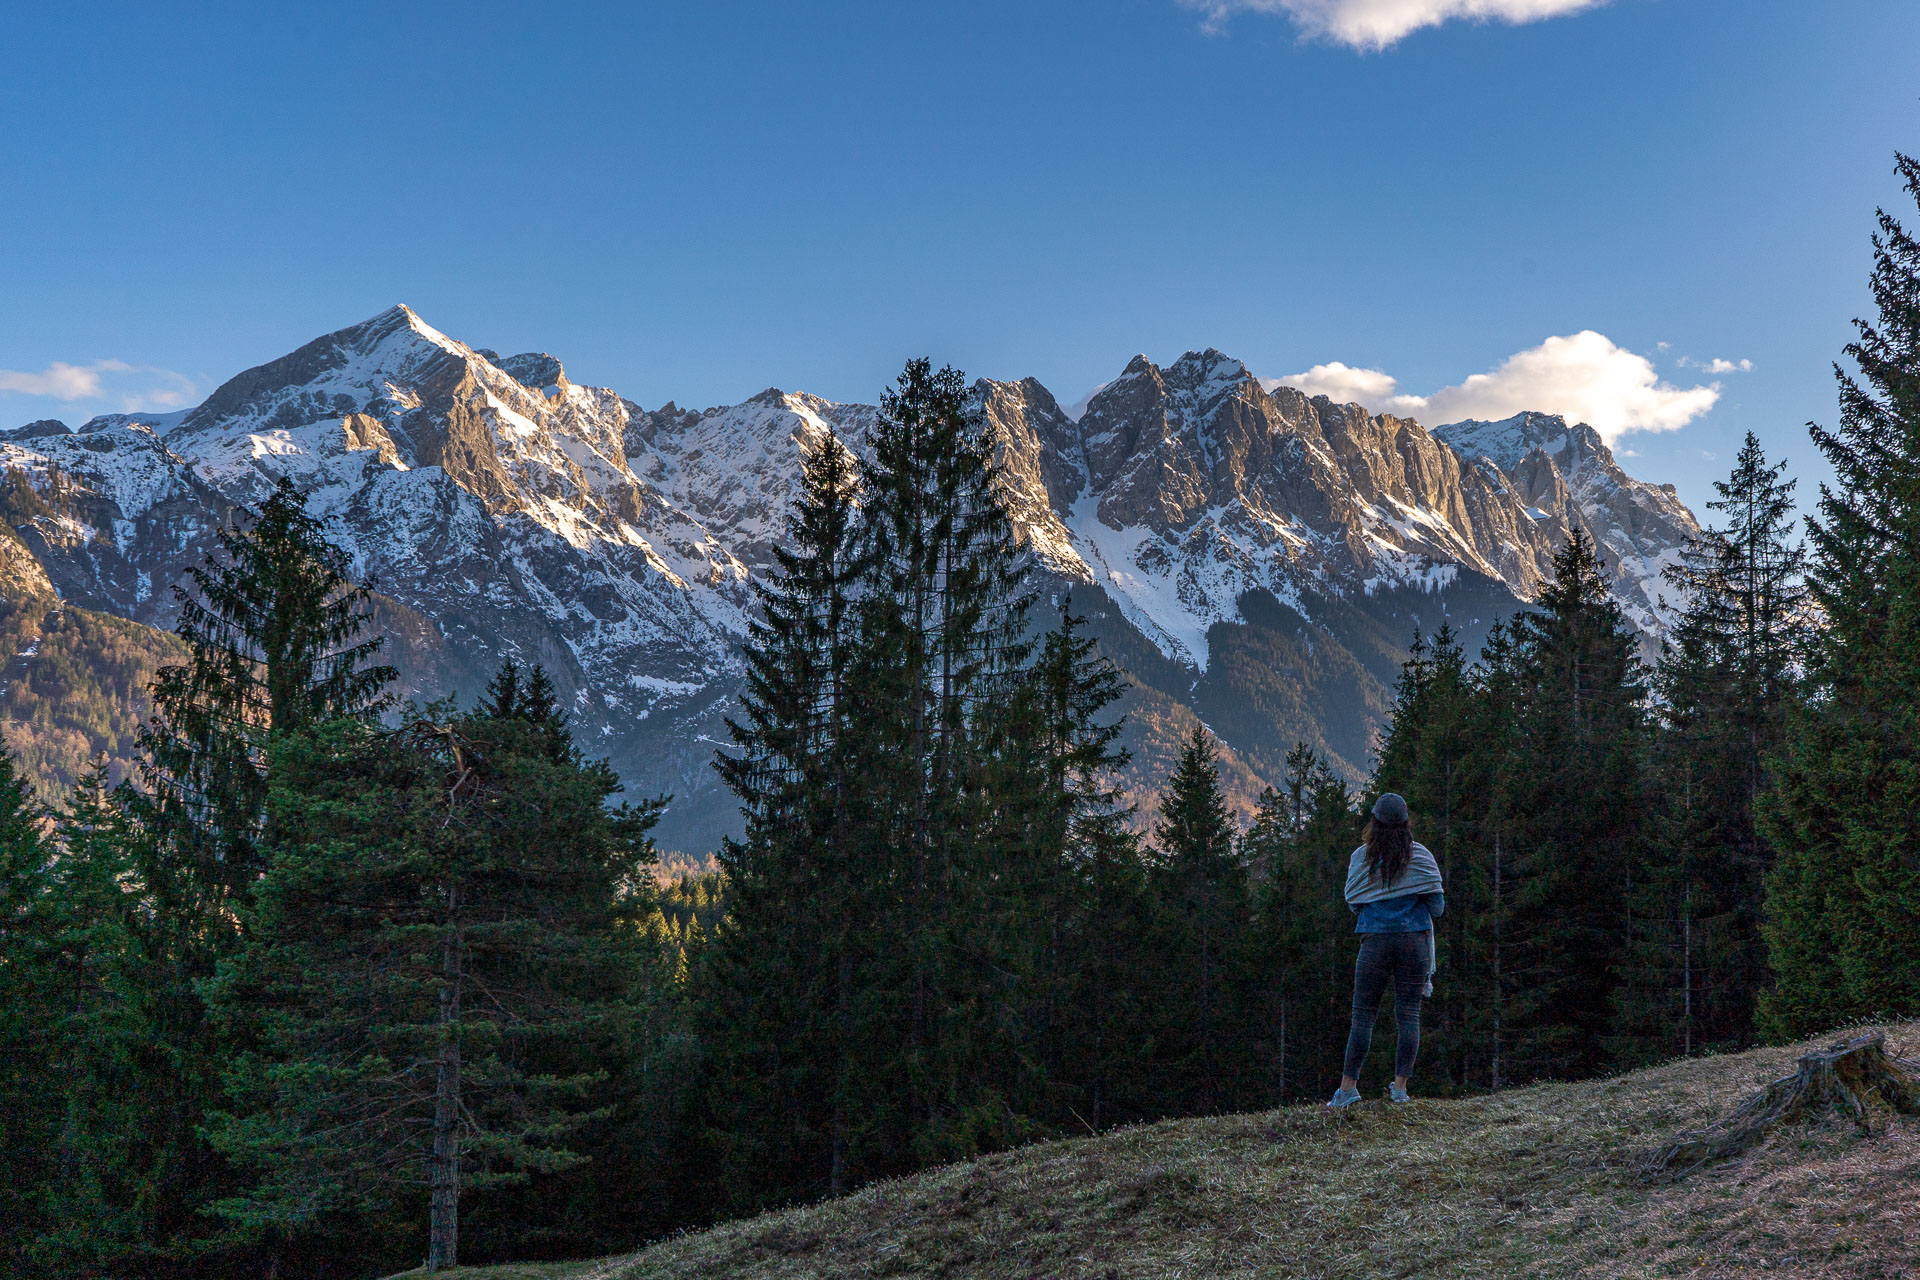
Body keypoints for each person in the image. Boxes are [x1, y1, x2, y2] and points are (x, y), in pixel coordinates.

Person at [1327, 792, 1443, 1108]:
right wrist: (1410, 895)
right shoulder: (1421, 857)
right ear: (1406, 823)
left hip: (1375, 941)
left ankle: (1348, 1089)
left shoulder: (1360, 858)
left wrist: (1381, 900)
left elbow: (1354, 904)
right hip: (1414, 943)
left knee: (1363, 1016)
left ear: (1374, 822)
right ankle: (1400, 1090)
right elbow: (1437, 907)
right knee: (1409, 1014)